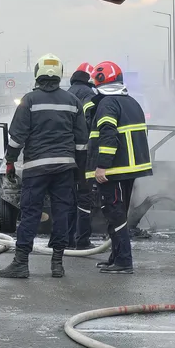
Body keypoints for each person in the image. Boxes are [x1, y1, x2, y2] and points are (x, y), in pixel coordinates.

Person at [0, 53, 88, 279]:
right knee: (61, 214)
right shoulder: (73, 102)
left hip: (36, 169)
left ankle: (21, 263)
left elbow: (17, 137)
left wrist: (10, 161)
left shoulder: (29, 100)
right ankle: (57, 264)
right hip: (65, 168)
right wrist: (80, 171)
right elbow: (81, 142)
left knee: (30, 214)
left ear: (37, 73)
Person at [86, 61, 153, 274]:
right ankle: (115, 257)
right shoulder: (131, 102)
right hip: (130, 169)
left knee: (114, 214)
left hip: (113, 171)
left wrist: (102, 167)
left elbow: (108, 135)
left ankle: (124, 261)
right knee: (120, 212)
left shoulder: (107, 103)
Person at [68, 62, 99, 249]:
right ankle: (83, 240)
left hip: (66, 154)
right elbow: (94, 125)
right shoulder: (91, 96)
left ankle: (65, 238)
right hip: (86, 155)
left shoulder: (65, 95)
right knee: (84, 197)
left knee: (66, 198)